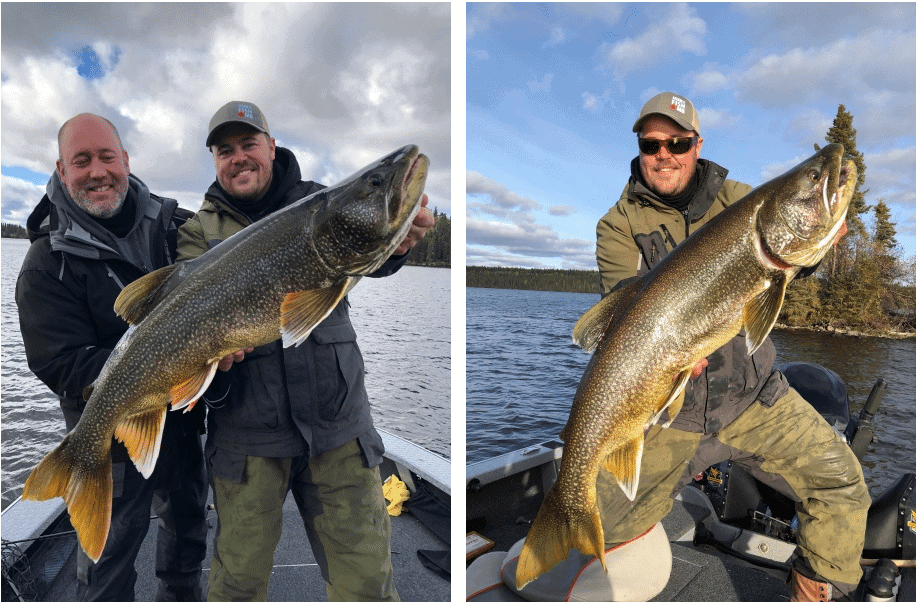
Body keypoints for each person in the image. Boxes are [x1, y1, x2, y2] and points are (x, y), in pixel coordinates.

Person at [593, 92, 869, 601]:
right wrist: (668, 361)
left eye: (677, 143)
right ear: (640, 149)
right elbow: (623, 317)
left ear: (697, 145)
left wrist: (811, 248)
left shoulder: (741, 199)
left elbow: (786, 251)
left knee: (842, 485)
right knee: (598, 527)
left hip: (753, 396)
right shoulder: (617, 226)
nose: (664, 155)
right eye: (652, 145)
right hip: (672, 412)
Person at [177, 101, 434, 602]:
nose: (238, 157)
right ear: (214, 160)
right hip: (246, 438)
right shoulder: (196, 232)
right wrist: (209, 361)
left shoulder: (318, 201)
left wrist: (398, 246)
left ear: (271, 147)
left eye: (248, 144)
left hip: (338, 428)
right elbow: (183, 318)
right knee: (236, 585)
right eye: (225, 150)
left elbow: (365, 256)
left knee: (366, 585)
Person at [15, 113, 208, 601]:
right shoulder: (46, 261)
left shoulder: (178, 226)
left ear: (125, 160)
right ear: (62, 171)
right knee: (108, 557)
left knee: (188, 531)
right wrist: (155, 371)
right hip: (108, 435)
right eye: (82, 161)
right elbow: (58, 361)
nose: (97, 171)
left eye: (106, 157)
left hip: (184, 422)